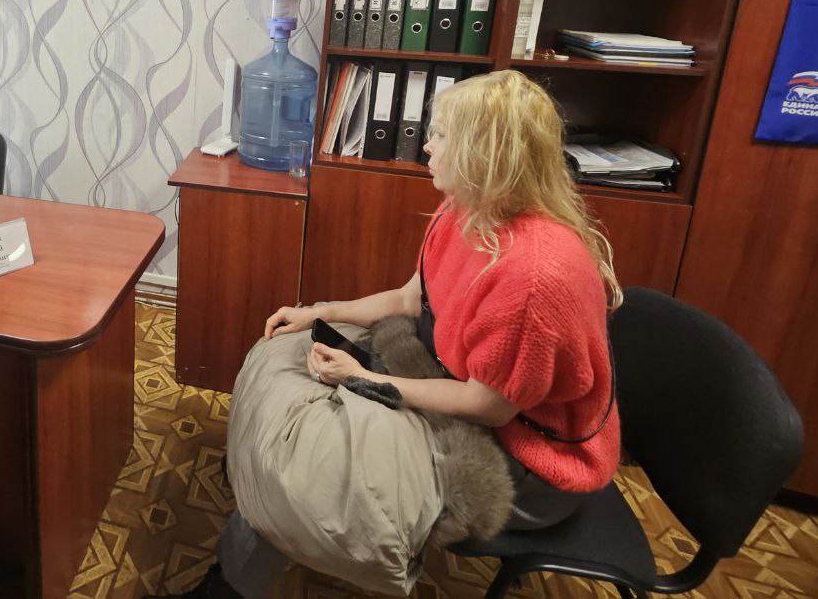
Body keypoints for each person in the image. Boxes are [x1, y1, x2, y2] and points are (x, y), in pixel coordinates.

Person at [155, 70, 622, 599]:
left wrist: (367, 379)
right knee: (296, 356)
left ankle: (231, 581)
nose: (428, 146)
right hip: (449, 377)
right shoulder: (466, 210)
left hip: (524, 461)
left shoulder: (535, 276)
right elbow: (409, 300)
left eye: (440, 134)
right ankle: (255, 477)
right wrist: (319, 311)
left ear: (484, 154)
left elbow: (489, 408)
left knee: (316, 470)